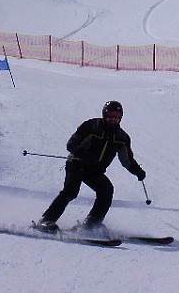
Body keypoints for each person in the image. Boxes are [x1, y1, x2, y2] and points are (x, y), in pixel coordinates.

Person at [36, 100, 146, 234]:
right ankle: (46, 220)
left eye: (116, 116)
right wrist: (81, 152)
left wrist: (137, 171)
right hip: (77, 163)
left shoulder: (122, 137)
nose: (113, 119)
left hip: (94, 170)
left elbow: (126, 159)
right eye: (110, 115)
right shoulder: (91, 126)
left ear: (121, 117)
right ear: (104, 115)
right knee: (71, 191)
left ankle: (92, 224)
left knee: (106, 190)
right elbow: (71, 144)